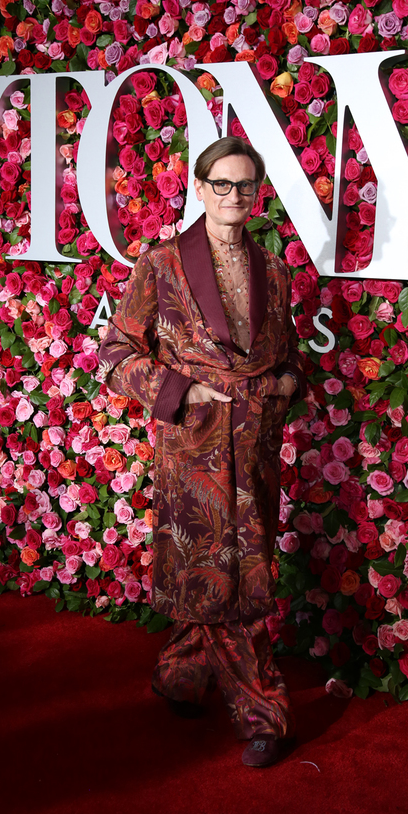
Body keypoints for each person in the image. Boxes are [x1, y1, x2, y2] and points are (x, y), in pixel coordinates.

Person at [97, 136, 305, 767]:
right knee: (226, 573)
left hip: (256, 444)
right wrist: (183, 395)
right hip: (194, 447)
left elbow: (287, 354)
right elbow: (115, 354)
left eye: (245, 186)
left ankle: (182, 673)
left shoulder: (276, 269)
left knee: (231, 564)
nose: (234, 197)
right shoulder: (162, 264)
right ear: (201, 187)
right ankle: (262, 711)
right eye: (222, 185)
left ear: (257, 192)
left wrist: (290, 382)